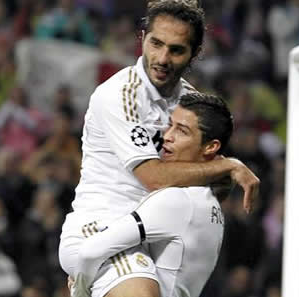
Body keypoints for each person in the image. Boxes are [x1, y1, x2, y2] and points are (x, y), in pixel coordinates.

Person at [59, 1, 258, 297]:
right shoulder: (119, 94)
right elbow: (153, 176)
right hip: (103, 229)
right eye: (156, 43)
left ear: (195, 54)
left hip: (160, 238)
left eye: (176, 50)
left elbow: (211, 181)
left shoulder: (192, 105)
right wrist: (227, 166)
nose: (162, 58)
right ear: (143, 39)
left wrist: (218, 175)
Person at [70, 92, 233, 297]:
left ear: (211, 147)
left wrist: (80, 291)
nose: (167, 136)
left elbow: (90, 251)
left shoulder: (176, 200)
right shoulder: (212, 204)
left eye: (182, 131)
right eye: (170, 125)